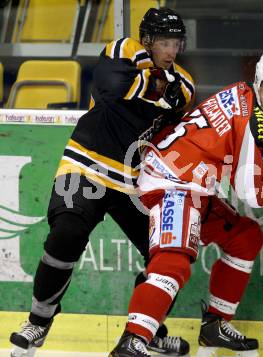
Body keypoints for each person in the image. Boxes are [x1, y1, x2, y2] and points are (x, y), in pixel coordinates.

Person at [108, 50, 263, 357]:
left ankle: (215, 325)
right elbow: (252, 192)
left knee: (244, 238)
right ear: (259, 82)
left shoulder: (242, 96)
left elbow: (226, 141)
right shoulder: (251, 121)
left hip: (192, 182)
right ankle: (132, 341)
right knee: (173, 263)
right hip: (172, 181)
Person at [9, 7, 194, 357]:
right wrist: (153, 87)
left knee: (170, 257)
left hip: (134, 182)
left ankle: (145, 332)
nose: (171, 51)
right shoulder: (124, 49)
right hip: (86, 165)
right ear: (149, 40)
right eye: (165, 43)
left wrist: (145, 87)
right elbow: (111, 87)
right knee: (67, 232)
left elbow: (171, 118)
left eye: (176, 43)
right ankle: (38, 322)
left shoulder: (183, 84)